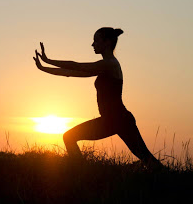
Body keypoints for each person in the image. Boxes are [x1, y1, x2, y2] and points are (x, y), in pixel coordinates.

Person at [33, 27, 161, 167]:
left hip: (119, 119)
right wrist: (43, 67)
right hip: (113, 120)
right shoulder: (103, 67)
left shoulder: (110, 64)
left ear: (106, 42)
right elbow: (70, 72)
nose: (92, 44)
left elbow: (78, 66)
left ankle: (81, 171)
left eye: (96, 41)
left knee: (147, 159)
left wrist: (49, 60)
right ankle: (82, 172)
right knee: (148, 160)